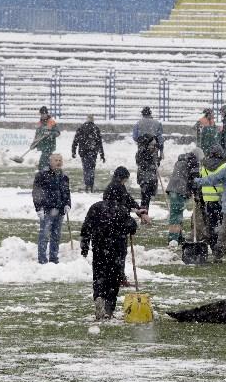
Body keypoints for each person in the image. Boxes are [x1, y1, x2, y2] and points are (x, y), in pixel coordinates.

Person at [80, 185, 138, 320]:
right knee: (113, 280)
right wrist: (130, 226)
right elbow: (132, 226)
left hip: (99, 249)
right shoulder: (122, 210)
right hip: (117, 250)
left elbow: (86, 228)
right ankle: (109, 308)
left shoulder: (95, 208)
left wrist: (84, 246)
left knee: (99, 275)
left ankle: (99, 296)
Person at [32, 153, 71, 264]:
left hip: (59, 210)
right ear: (50, 162)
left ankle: (54, 258)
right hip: (47, 210)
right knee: (44, 235)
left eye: (60, 160)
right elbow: (36, 193)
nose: (58, 162)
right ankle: (42, 259)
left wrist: (67, 204)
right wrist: (38, 208)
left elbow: (67, 192)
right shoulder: (42, 175)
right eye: (56, 160)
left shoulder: (64, 176)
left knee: (56, 236)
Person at [165, 150, 200, 246]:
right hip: (180, 190)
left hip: (173, 189)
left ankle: (178, 237)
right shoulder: (193, 163)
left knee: (176, 213)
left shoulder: (181, 161)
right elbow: (194, 180)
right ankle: (173, 239)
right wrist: (196, 192)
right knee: (176, 216)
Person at [198, 144, 226, 251]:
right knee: (224, 224)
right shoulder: (224, 166)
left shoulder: (204, 166)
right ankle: (224, 245)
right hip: (221, 199)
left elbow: (201, 180)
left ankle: (213, 244)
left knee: (212, 223)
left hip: (208, 199)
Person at [71, 114, 105, 193]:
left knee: (86, 168)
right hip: (93, 152)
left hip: (83, 152)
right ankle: (91, 185)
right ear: (93, 120)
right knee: (92, 168)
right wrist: (102, 155)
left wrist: (73, 151)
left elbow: (75, 140)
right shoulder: (96, 129)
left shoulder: (81, 128)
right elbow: (99, 143)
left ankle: (87, 185)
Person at [135, 133, 161, 211]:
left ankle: (145, 214)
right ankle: (144, 215)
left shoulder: (154, 151)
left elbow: (157, 164)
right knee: (145, 197)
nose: (153, 146)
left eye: (154, 144)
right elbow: (141, 164)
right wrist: (151, 160)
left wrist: (157, 160)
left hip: (152, 178)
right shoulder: (141, 151)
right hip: (144, 178)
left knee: (148, 198)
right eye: (151, 144)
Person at [33, 106, 61, 170]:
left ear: (47, 114)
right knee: (47, 162)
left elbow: (57, 133)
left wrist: (50, 134)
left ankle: (43, 173)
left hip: (49, 145)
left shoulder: (51, 122)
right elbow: (37, 134)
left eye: (44, 114)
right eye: (41, 114)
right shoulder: (39, 123)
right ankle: (47, 173)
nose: (43, 115)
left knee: (43, 162)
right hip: (42, 145)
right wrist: (34, 143)